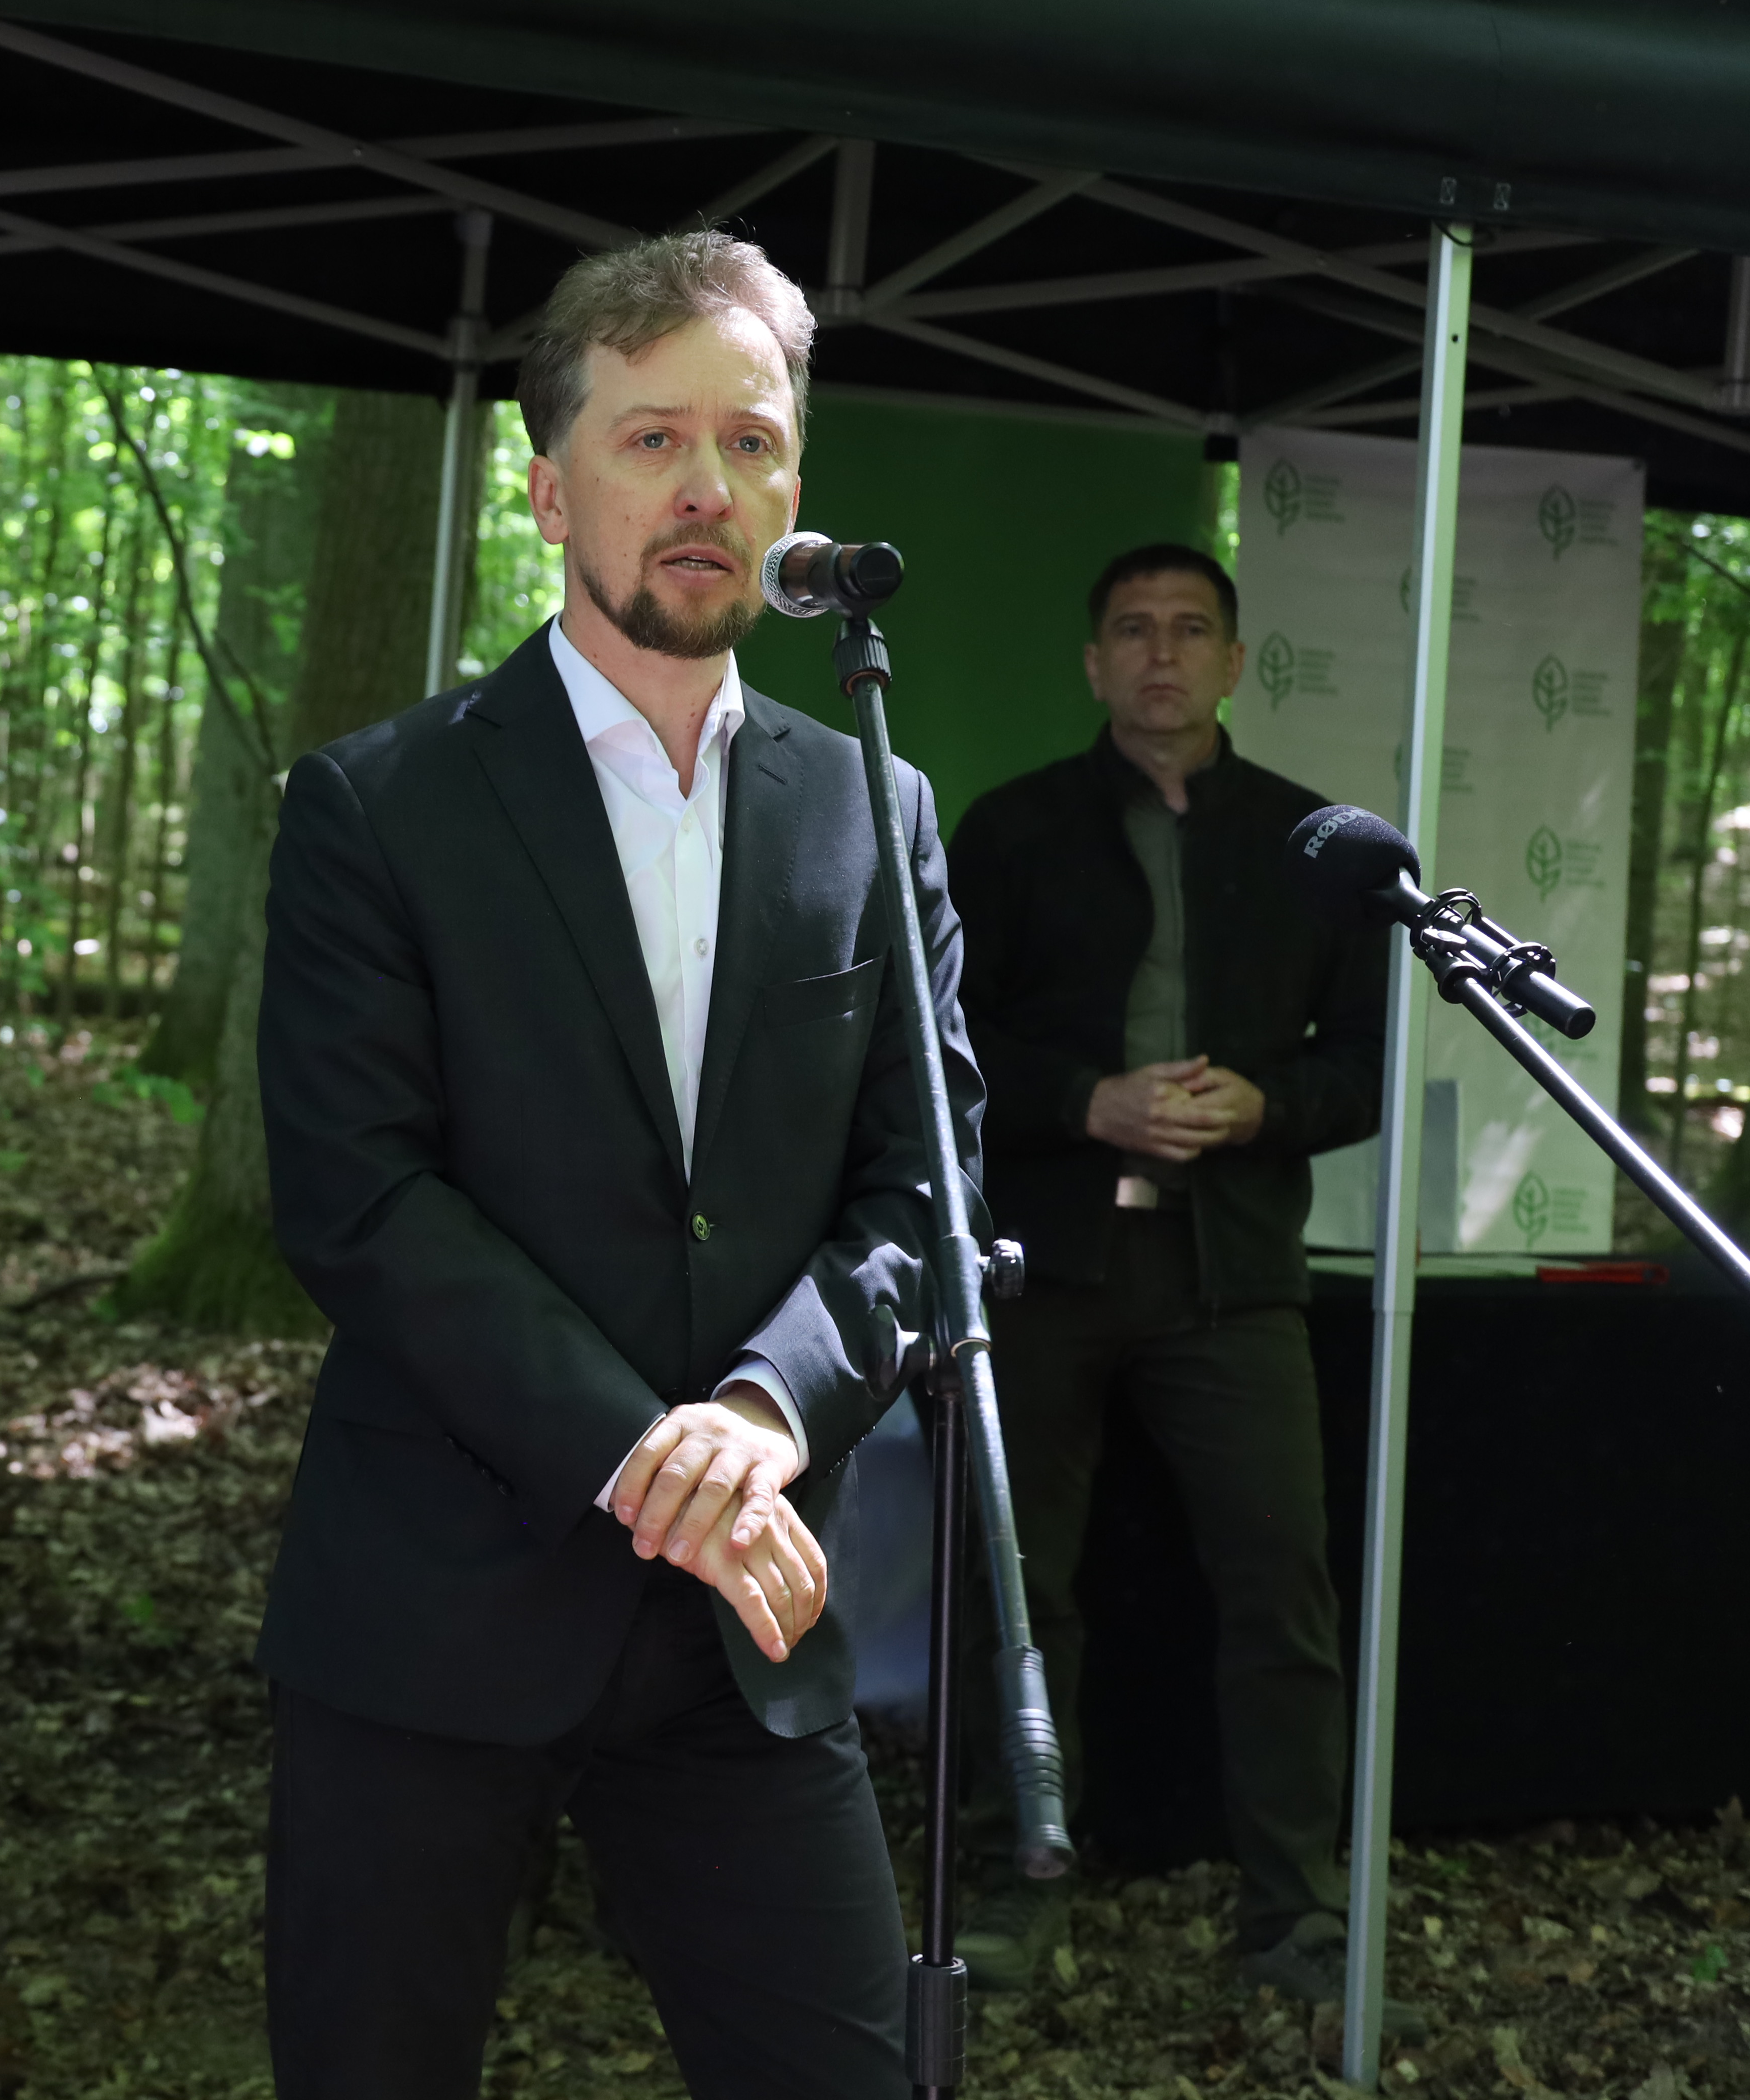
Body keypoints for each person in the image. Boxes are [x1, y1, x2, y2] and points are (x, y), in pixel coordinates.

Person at [254, 230, 976, 2099]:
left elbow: (927, 1193)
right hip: (437, 1604)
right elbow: (360, 1197)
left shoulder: (874, 805)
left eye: (750, 442)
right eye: (652, 439)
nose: (706, 487)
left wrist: (762, 1410)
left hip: (749, 1625)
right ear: (548, 487)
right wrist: (660, 1460)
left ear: (795, 491)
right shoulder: (378, 805)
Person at [944, 544, 1411, 2027]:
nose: (1162, 653)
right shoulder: (1010, 829)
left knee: (1284, 1593)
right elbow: (940, 1044)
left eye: (1190, 629)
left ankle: (1299, 1919)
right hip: (1043, 1265)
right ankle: (1010, 1886)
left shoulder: (1315, 846)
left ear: (1234, 662)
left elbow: (1367, 1067)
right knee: (1016, 1592)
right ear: (1094, 665)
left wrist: (1264, 1108)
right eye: (1134, 631)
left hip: (1234, 1271)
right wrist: (1085, 1102)